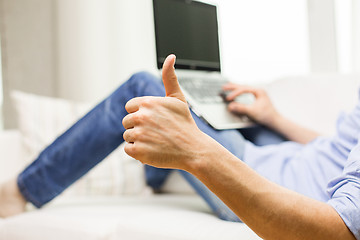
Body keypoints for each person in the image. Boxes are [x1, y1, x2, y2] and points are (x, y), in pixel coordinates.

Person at [0, 54, 358, 239]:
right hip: (288, 157)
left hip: (260, 180)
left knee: (141, 86)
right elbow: (340, 151)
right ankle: (157, 174)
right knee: (230, 103)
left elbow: (339, 230)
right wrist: (273, 117)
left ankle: (20, 191)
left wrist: (196, 148)